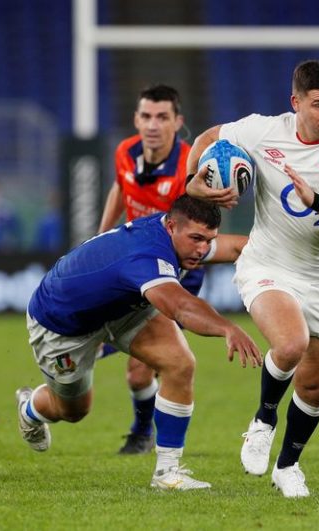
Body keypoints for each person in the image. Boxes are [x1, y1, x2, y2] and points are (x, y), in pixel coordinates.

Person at [185, 59, 319, 497]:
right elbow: (206, 138)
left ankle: (288, 466)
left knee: (315, 384)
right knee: (291, 343)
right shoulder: (262, 131)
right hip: (267, 265)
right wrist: (192, 182)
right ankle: (263, 419)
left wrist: (316, 200)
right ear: (296, 103)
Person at [15, 195, 262, 490]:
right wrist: (227, 328)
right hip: (63, 323)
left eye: (208, 240)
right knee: (73, 411)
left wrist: (307, 267)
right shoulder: (146, 255)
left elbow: (238, 248)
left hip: (124, 307)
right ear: (171, 227)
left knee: (179, 363)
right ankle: (29, 409)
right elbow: (181, 307)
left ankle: (167, 473)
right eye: (197, 239)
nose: (202, 249)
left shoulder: (179, 235)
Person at [98, 84, 208, 455]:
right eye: (146, 116)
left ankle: (144, 431)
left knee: (141, 368)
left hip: (174, 274)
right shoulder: (124, 152)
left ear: (178, 122)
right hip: (130, 267)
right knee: (134, 363)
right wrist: (100, 238)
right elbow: (119, 188)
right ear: (136, 119)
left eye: (162, 117)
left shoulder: (190, 167)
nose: (153, 125)